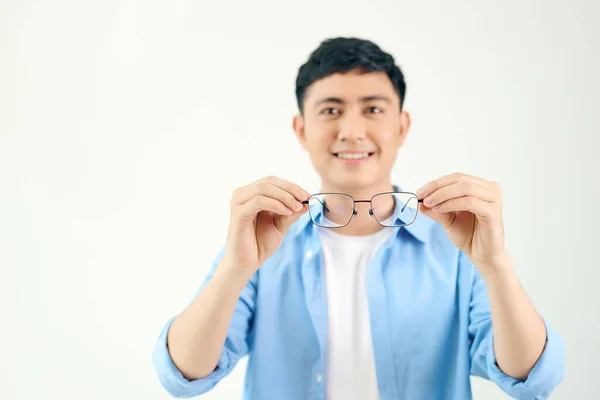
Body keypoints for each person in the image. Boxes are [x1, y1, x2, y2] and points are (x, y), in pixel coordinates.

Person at [152, 37, 565, 399]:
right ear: (301, 130)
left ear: (402, 127)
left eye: (372, 109)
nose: (351, 130)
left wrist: (496, 265)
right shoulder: (261, 246)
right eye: (331, 111)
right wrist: (234, 268)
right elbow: (184, 375)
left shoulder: (455, 245)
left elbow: (530, 377)